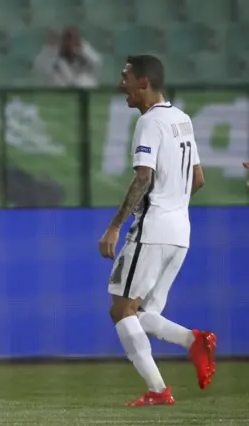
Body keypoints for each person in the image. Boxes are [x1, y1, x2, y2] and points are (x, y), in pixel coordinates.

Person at [98, 55, 216, 407]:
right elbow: (198, 179)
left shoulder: (149, 122)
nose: (122, 85)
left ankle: (157, 390)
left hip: (151, 231)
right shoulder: (182, 119)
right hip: (181, 231)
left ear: (144, 82)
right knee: (141, 311)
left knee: (121, 311)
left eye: (126, 78)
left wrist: (115, 226)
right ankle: (194, 341)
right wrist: (172, 206)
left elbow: (143, 177)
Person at [34, 27, 101, 88]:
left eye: (73, 38)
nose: (70, 42)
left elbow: (96, 62)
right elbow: (40, 66)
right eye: (67, 38)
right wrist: (50, 47)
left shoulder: (85, 57)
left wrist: (82, 47)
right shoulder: (52, 58)